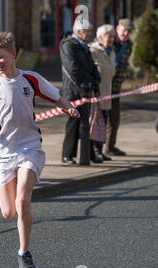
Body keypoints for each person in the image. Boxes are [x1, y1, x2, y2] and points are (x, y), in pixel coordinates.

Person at [0, 32, 79, 268]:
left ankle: (24, 253)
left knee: (23, 201)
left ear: (13, 55)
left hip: (29, 146)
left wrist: (69, 108)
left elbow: (58, 97)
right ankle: (20, 231)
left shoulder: (31, 79)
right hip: (2, 151)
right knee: (9, 212)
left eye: (0, 57)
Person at [60, 18, 101, 165]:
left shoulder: (83, 45)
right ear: (79, 31)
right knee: (73, 122)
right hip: (74, 90)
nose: (89, 34)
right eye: (87, 32)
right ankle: (67, 155)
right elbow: (73, 69)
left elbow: (91, 64)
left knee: (87, 122)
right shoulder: (68, 45)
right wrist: (90, 78)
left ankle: (88, 154)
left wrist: (96, 78)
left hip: (86, 89)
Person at [104, 18, 134, 157]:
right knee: (101, 119)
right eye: (124, 30)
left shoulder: (129, 45)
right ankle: (95, 149)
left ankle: (110, 146)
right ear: (117, 29)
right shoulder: (109, 42)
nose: (126, 33)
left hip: (116, 88)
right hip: (103, 87)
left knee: (115, 119)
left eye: (129, 31)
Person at [89, 24, 116, 162]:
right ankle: (94, 151)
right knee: (96, 125)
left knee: (104, 124)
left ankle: (100, 150)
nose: (111, 39)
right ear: (100, 37)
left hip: (108, 93)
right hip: (96, 94)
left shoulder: (111, 52)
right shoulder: (93, 50)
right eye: (108, 36)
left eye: (112, 36)